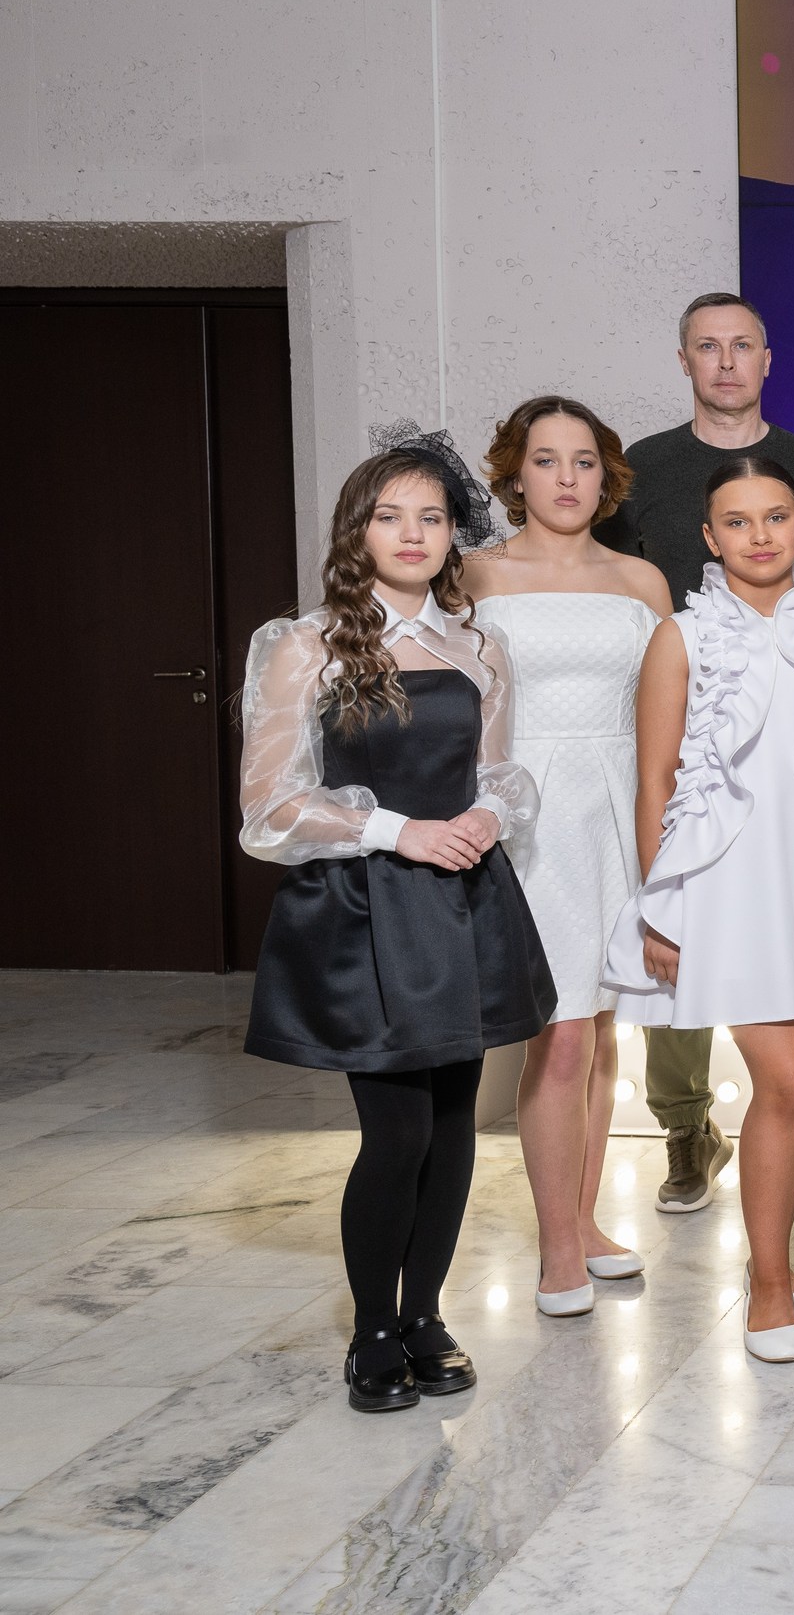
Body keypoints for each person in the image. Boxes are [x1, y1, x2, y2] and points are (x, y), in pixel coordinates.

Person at [238, 430, 553, 1412]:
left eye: (432, 516)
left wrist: (486, 818)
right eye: (390, 516)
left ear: (455, 532)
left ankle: (426, 1317)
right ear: (358, 530)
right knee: (397, 1129)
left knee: (454, 1124)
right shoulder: (304, 645)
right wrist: (397, 830)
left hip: (463, 899)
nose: (412, 533)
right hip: (364, 907)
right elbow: (268, 807)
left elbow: (499, 772)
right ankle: (372, 1332)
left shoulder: (480, 646)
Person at [601, 456, 794, 1363]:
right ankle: (767, 1287)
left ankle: (777, 1260)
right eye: (737, 521)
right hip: (731, 889)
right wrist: (661, 907)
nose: (759, 535)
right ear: (709, 536)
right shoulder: (681, 639)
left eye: (775, 516)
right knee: (786, 1080)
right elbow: (655, 779)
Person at [594, 291, 794, 1211]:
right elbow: (613, 581)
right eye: (708, 346)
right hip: (682, 706)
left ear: (767, 359)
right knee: (682, 920)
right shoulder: (644, 467)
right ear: (685, 360)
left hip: (786, 709)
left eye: (743, 344)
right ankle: (685, 1123)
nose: (727, 361)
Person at [466, 397, 671, 1317]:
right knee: (560, 1031)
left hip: (617, 809)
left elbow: (667, 718)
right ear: (515, 473)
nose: (566, 478)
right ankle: (555, 1248)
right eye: (546, 460)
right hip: (529, 817)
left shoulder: (641, 580)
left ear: (606, 475)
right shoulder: (475, 573)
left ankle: (584, 1221)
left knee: (602, 1029)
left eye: (584, 460)